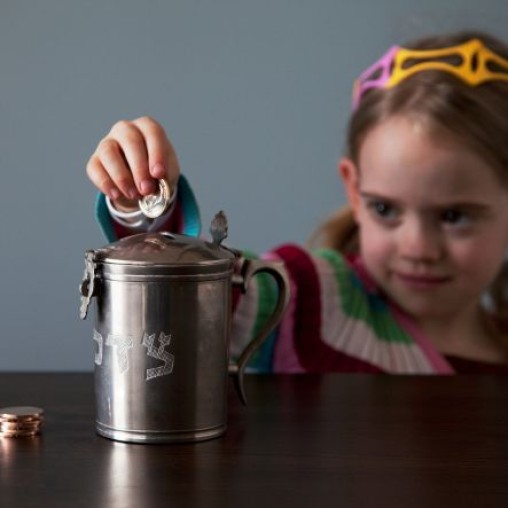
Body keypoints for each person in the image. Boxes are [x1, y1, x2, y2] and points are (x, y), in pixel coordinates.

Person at [86, 30, 508, 374]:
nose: (418, 248)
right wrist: (141, 202)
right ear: (354, 191)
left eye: (453, 216)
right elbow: (186, 299)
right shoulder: (311, 300)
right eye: (385, 209)